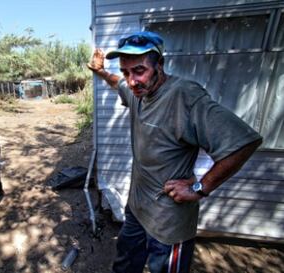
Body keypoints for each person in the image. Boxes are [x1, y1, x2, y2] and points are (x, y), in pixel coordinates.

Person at [87, 31, 263, 273]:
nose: (132, 81)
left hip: (169, 221)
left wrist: (200, 187)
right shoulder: (137, 93)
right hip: (137, 208)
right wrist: (100, 72)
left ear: (160, 64)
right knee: (124, 265)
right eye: (127, 72)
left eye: (139, 70)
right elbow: (118, 83)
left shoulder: (185, 96)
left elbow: (243, 142)